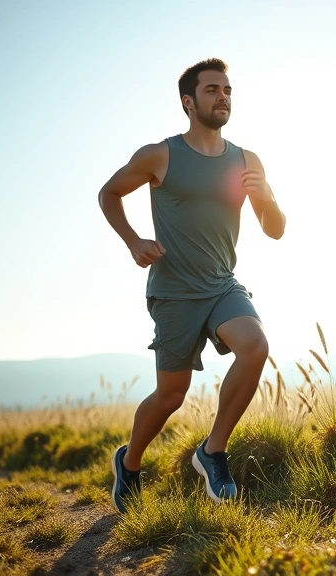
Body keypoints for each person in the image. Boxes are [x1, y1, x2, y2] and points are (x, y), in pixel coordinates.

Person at [97, 58, 285, 512]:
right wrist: (133, 240)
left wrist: (265, 196)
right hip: (174, 292)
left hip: (222, 285)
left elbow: (275, 229)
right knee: (170, 396)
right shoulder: (160, 155)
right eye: (211, 90)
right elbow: (109, 193)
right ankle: (130, 462)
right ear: (188, 101)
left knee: (255, 346)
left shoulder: (247, 160)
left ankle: (212, 451)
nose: (223, 97)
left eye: (227, 90)